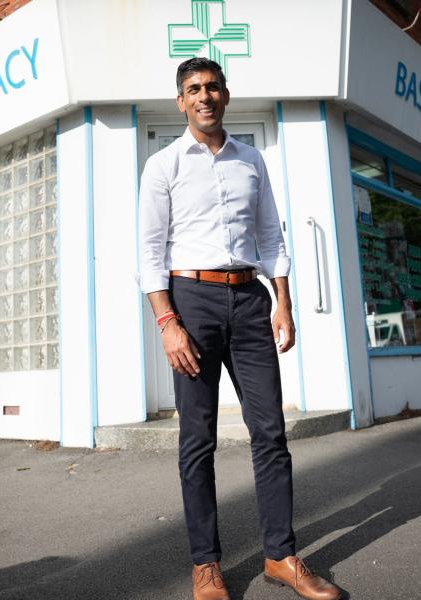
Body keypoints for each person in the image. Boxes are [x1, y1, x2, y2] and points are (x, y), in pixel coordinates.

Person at [137, 57, 343, 600]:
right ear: (180, 101)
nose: (204, 96)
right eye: (193, 89)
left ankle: (281, 556)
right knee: (197, 440)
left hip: (251, 300)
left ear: (226, 95)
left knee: (271, 433)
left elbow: (272, 234)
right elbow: (149, 251)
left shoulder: (251, 159)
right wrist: (166, 322)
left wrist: (283, 303)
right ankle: (206, 565)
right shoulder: (163, 165)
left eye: (212, 87)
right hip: (191, 302)